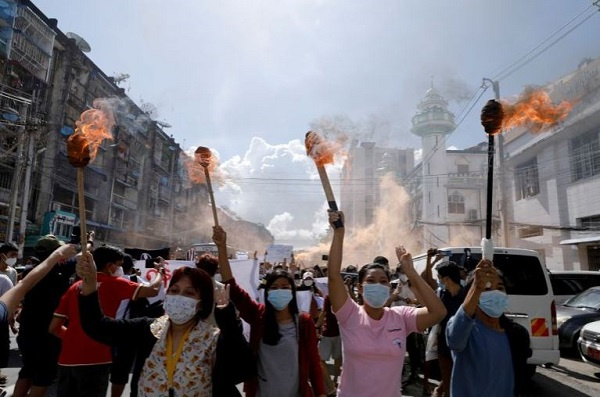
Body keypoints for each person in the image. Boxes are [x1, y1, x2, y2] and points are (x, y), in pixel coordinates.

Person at [76, 251, 256, 397]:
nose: (179, 297)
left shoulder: (213, 339)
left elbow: (244, 369)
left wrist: (228, 318)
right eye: (175, 290)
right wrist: (90, 283)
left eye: (189, 293)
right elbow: (96, 326)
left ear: (201, 303)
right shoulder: (146, 328)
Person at [326, 210, 446, 397]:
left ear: (390, 287)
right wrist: (339, 234)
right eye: (371, 281)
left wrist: (412, 273)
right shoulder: (349, 314)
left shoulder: (401, 317)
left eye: (383, 281)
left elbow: (438, 312)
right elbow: (333, 276)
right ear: (359, 288)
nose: (378, 285)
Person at [214, 225, 326, 397]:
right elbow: (232, 286)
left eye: (284, 287)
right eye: (274, 288)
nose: (279, 291)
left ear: (292, 291)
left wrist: (321, 393)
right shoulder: (258, 315)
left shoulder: (304, 322)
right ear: (267, 293)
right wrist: (221, 248)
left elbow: (314, 363)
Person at [49, 246, 163, 397]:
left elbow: (53, 328)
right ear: (110, 265)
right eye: (119, 265)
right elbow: (153, 290)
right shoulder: (115, 283)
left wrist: (73, 337)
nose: (120, 269)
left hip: (66, 359)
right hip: (97, 357)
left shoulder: (74, 287)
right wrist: (159, 273)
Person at [446, 259, 532, 397]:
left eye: (500, 288)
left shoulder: (517, 334)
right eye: (486, 288)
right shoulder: (466, 331)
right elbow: (454, 340)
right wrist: (477, 287)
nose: (495, 294)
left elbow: (520, 379)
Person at [4, 241, 77, 397]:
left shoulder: (29, 271)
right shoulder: (60, 269)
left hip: (28, 331)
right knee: (43, 376)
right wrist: (88, 241)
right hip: (48, 334)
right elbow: (80, 254)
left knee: (28, 369)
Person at [433, 261, 466, 397]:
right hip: (444, 348)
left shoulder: (467, 297)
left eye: (440, 277)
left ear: (446, 278)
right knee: (448, 385)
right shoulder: (442, 295)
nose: (439, 281)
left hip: (462, 348)